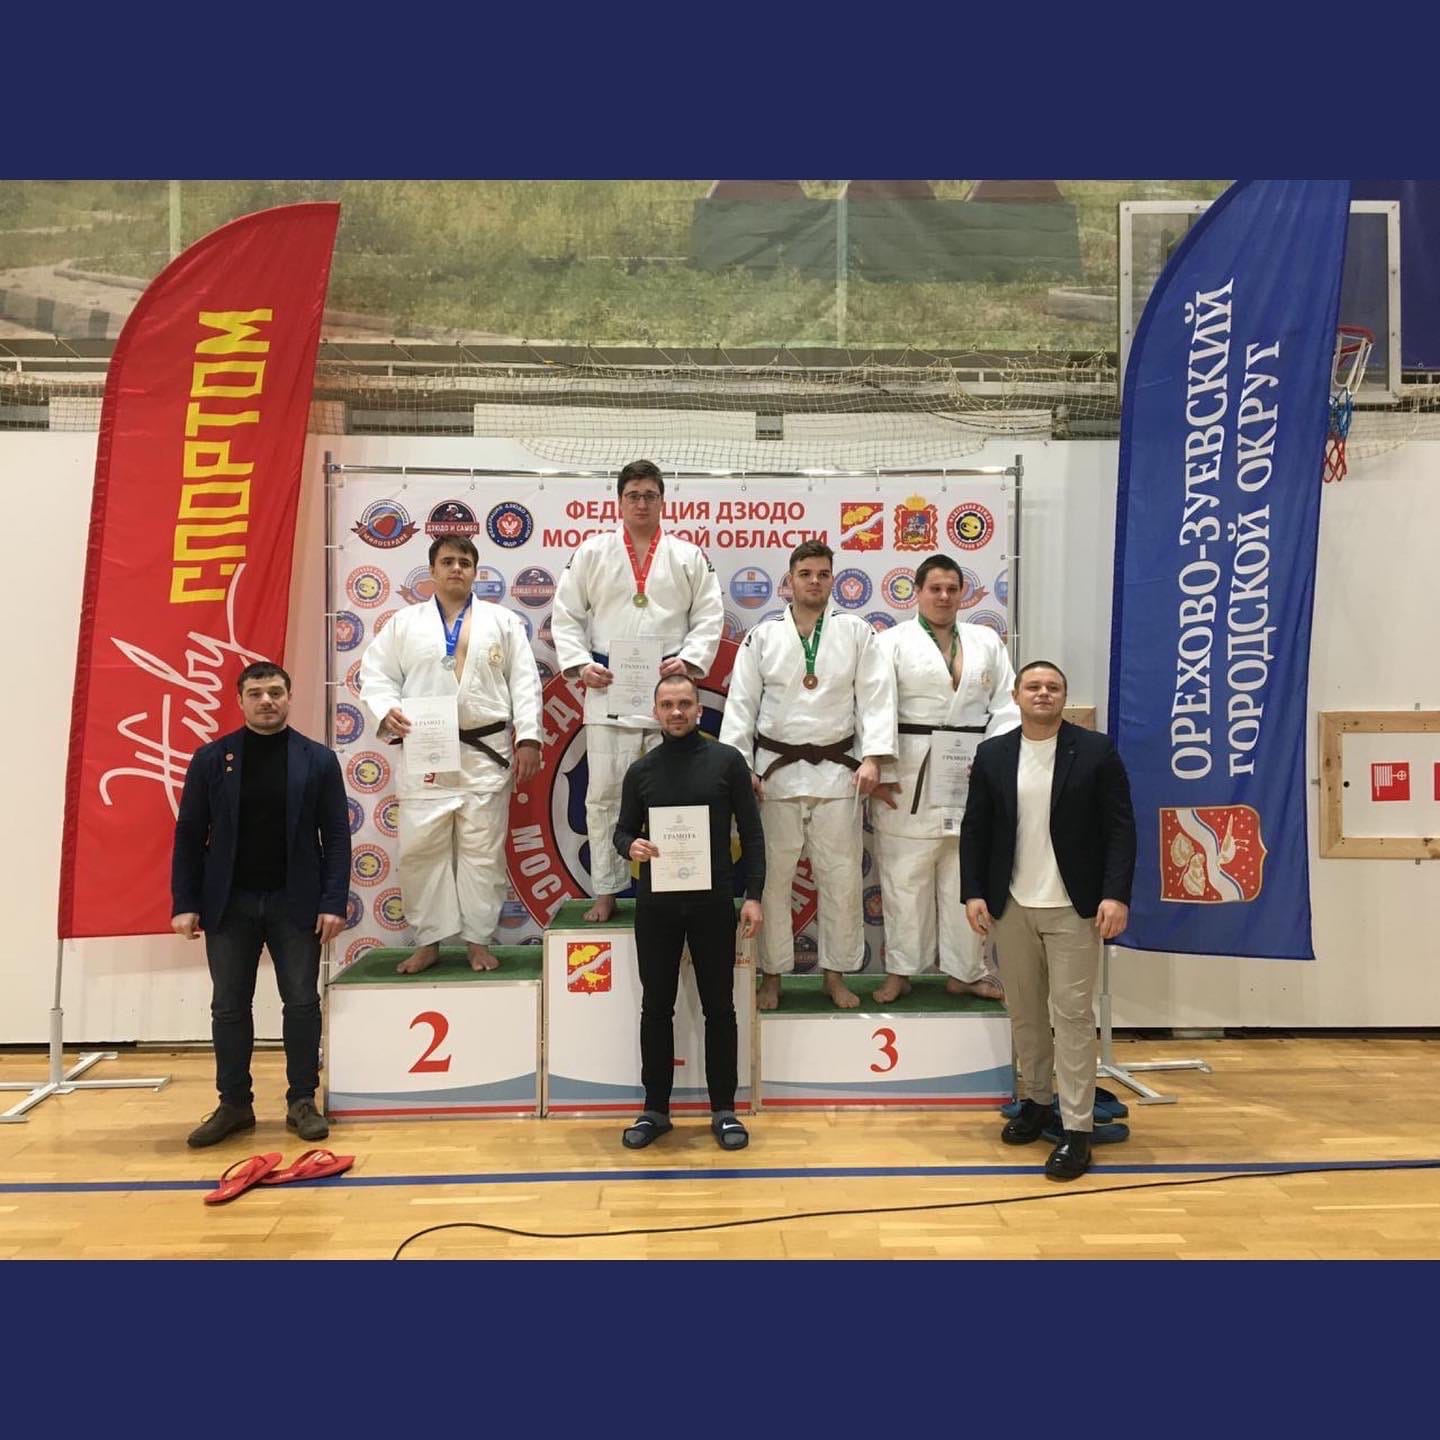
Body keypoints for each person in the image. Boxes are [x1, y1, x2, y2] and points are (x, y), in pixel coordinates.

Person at [959, 661, 1136, 1181]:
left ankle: (1077, 1129)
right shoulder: (993, 754)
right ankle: (1036, 1102)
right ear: (1016, 696)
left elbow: (1121, 829)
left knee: (1073, 1017)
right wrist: (973, 891)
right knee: (1026, 1013)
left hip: (1073, 908)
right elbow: (976, 830)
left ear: (1064, 697)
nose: (1043, 693)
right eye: (1033, 686)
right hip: (1011, 905)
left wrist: (1115, 895)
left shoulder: (1097, 752)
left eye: (1053, 687)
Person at [171, 662, 351, 1149]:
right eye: (256, 693)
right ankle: (234, 1104)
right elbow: (189, 835)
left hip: (297, 903)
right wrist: (185, 902)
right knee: (229, 1007)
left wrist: (333, 901)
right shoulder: (211, 759)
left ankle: (302, 1101)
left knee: (302, 1003)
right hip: (229, 904)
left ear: (289, 697)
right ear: (240, 701)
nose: (266, 700)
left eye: (275, 692)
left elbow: (336, 837)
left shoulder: (318, 760)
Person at [718, 540, 896, 1010]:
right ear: (789, 581)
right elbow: (741, 704)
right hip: (775, 776)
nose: (814, 581)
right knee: (772, 880)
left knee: (840, 879)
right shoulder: (763, 637)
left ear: (833, 579)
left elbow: (875, 697)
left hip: (839, 774)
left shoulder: (856, 632)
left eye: (822, 574)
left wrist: (874, 757)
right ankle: (772, 975)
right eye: (805, 574)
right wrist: (742, 767)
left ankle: (834, 976)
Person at [359, 535, 543, 973]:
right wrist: (387, 710)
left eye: (464, 562)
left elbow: (524, 682)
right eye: (447, 562)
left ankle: (478, 940)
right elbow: (376, 676)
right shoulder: (404, 624)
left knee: (483, 853)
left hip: (486, 752)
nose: (456, 568)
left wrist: (529, 738)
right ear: (432, 571)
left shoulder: (503, 621)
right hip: (426, 749)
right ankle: (429, 941)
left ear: (475, 571)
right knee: (421, 851)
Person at [552, 459, 724, 923]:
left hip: (669, 693)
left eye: (650, 495)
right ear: (619, 502)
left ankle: (678, 882)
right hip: (609, 686)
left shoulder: (687, 556)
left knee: (676, 796)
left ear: (663, 501)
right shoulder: (592, 553)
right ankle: (606, 890)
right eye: (633, 496)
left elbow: (710, 614)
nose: (642, 504)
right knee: (604, 795)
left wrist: (689, 660)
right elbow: (566, 614)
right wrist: (581, 665)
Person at [613, 673, 765, 1151]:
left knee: (720, 1008)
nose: (676, 712)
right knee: (656, 1008)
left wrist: (754, 895)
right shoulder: (642, 771)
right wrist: (630, 846)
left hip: (713, 904)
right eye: (667, 705)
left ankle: (724, 1110)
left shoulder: (728, 762)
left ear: (699, 709)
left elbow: (753, 834)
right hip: (656, 907)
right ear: (655, 712)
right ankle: (654, 1110)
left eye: (684, 704)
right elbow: (621, 831)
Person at [871, 554, 1018, 1004]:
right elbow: (874, 708)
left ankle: (966, 971)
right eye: (934, 588)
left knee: (966, 876)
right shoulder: (890, 643)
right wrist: (880, 768)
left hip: (971, 768)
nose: (943, 596)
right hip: (908, 774)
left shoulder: (985, 641)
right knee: (904, 879)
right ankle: (901, 970)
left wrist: (993, 761)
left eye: (952, 589)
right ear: (916, 592)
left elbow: (1006, 706)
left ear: (963, 593)